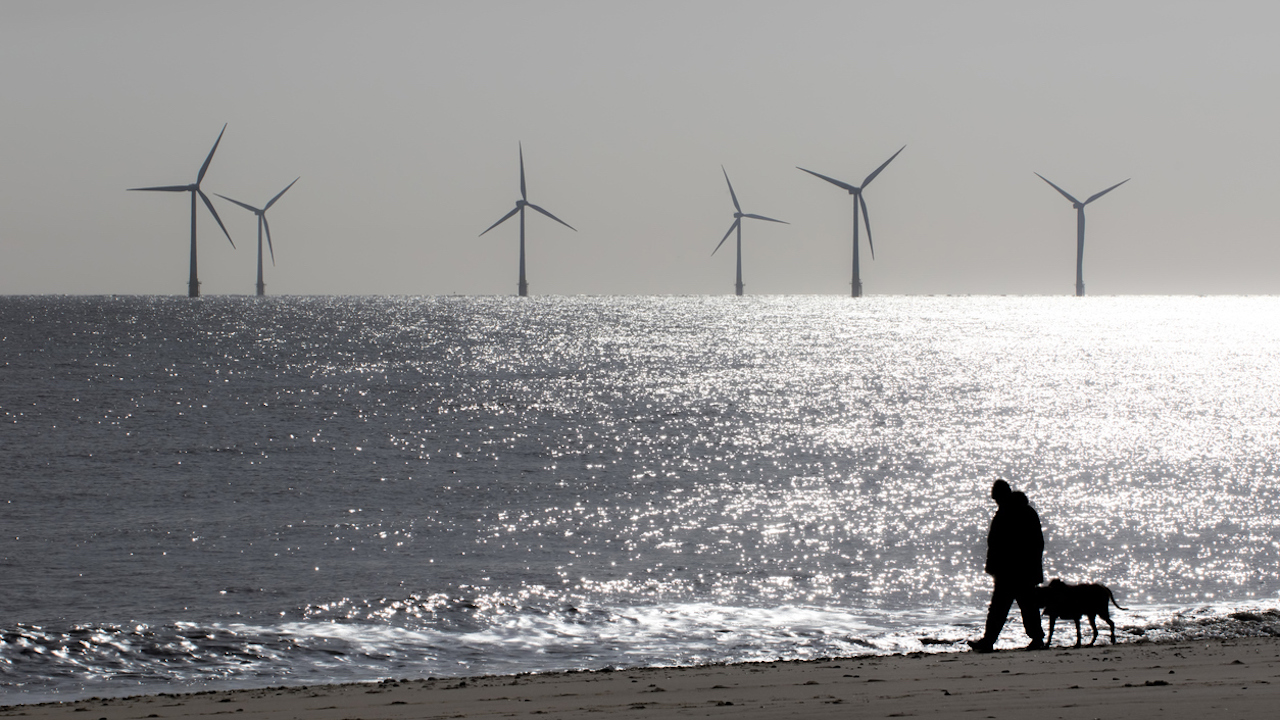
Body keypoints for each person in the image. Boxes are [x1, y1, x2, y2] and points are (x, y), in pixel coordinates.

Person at [967, 478, 1045, 652]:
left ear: (1002, 495)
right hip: (1010, 570)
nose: (996, 501)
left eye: (996, 497)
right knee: (1011, 607)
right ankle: (990, 641)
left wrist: (1031, 568)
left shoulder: (1018, 512)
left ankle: (1034, 639)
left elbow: (1035, 543)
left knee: (1015, 607)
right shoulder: (1013, 511)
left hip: (1016, 570)